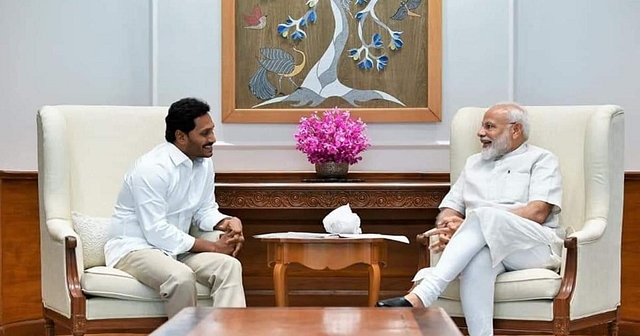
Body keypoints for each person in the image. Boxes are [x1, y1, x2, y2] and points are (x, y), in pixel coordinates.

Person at [376, 103, 564, 336]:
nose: (480, 133)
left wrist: (472, 224)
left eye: (489, 126)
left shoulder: (541, 159)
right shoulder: (474, 163)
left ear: (515, 130)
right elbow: (449, 209)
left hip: (531, 248)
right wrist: (448, 226)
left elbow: (538, 212)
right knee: (479, 260)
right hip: (483, 246)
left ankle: (423, 294)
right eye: (481, 126)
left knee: (483, 215)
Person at [104, 97, 246, 318]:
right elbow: (155, 230)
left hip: (178, 249)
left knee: (228, 267)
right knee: (180, 277)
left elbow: (204, 210)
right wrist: (213, 247)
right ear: (181, 137)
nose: (213, 139)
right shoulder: (152, 169)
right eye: (205, 133)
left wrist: (227, 221)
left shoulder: (204, 163)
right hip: (136, 248)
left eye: (212, 131)